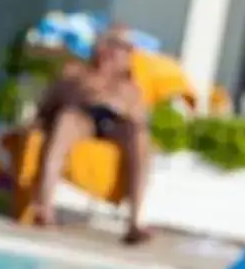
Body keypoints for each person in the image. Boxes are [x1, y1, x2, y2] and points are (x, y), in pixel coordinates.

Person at [19, 22, 153, 243]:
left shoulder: (131, 86)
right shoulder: (76, 72)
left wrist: (122, 105)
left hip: (118, 124)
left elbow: (140, 120)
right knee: (65, 121)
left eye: (125, 48)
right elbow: (48, 107)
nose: (118, 52)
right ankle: (45, 209)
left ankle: (134, 223)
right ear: (100, 46)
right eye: (114, 45)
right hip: (83, 118)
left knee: (139, 136)